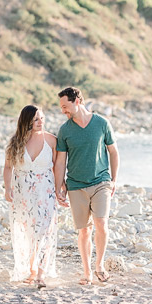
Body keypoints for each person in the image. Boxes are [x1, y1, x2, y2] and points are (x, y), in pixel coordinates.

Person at [53, 87, 120, 286]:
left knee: (101, 225)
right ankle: (87, 272)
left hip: (101, 182)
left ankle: (99, 265)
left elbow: (114, 153)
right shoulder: (65, 130)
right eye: (61, 107)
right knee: (84, 231)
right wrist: (59, 186)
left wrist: (114, 180)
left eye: (65, 106)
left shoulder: (101, 123)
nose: (63, 110)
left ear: (77, 101)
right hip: (76, 186)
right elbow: (60, 162)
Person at [3, 105, 59, 289]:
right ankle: (31, 270)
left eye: (42, 118)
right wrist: (7, 189)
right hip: (22, 194)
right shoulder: (16, 142)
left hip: (46, 193)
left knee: (45, 232)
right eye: (36, 119)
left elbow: (58, 167)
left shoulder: (52, 140)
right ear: (26, 121)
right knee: (28, 233)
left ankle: (41, 274)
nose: (40, 122)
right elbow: (8, 167)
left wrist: (61, 188)